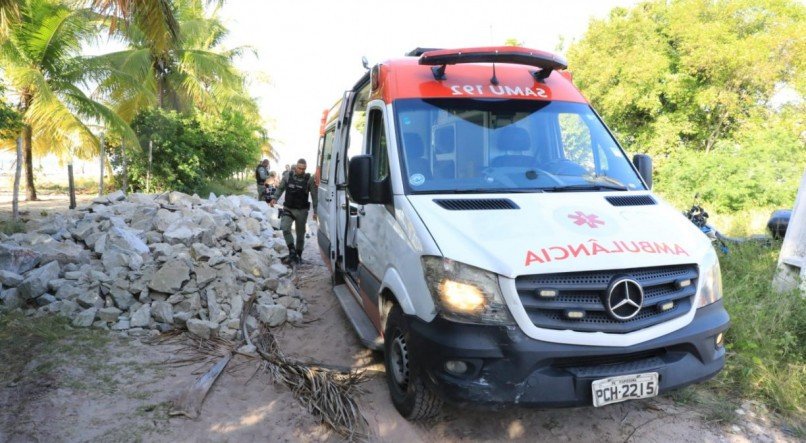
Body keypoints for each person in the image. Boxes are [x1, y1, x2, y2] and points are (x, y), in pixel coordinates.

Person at [270, 159, 318, 263]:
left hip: (302, 211)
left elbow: (314, 196)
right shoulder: (287, 176)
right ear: (296, 167)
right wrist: (274, 198)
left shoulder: (309, 179)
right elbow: (280, 188)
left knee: (300, 235)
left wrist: (316, 211)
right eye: (300, 168)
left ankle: (298, 256)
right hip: (288, 208)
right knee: (285, 228)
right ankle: (292, 251)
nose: (302, 170)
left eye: (304, 169)